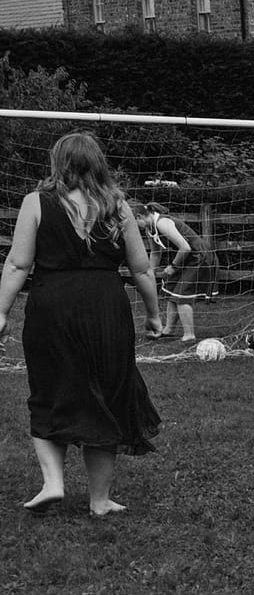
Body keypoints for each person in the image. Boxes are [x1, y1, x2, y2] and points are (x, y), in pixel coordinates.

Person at [0, 132, 164, 516]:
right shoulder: (118, 206)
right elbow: (140, 269)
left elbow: (18, 264)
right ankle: (99, 499)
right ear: (97, 163)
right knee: (107, 393)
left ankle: (53, 482)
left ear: (58, 163)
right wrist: (154, 315)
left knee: (50, 388)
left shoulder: (36, 203)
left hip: (52, 306)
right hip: (106, 306)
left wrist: (2, 311)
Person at [137, 202, 218, 341]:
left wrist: (173, 266)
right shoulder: (149, 229)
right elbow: (156, 253)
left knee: (182, 295)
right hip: (186, 258)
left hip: (199, 256)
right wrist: (149, 274)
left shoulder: (162, 222)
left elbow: (185, 247)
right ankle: (168, 330)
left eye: (133, 223)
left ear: (139, 216)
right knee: (171, 289)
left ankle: (189, 335)